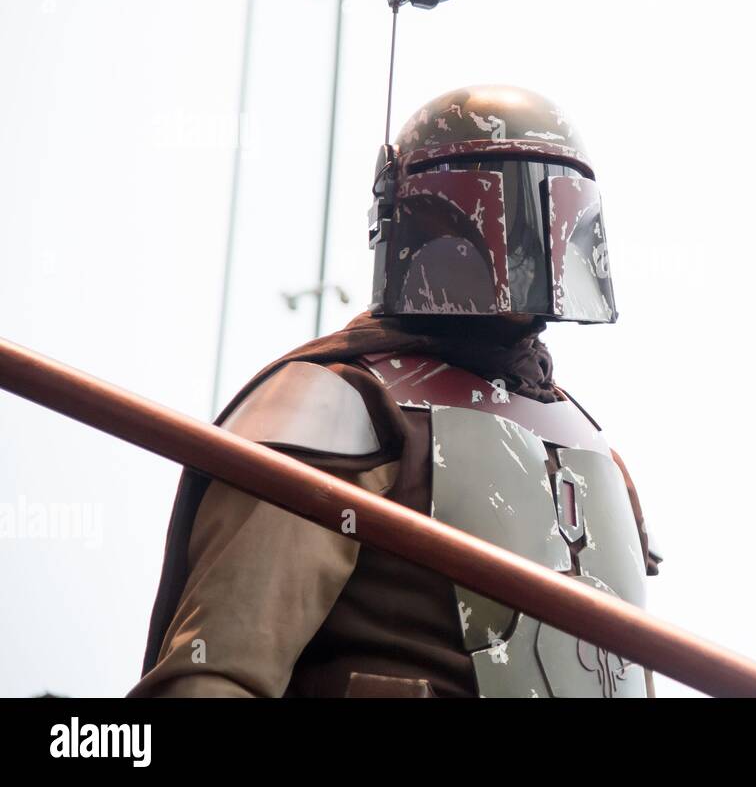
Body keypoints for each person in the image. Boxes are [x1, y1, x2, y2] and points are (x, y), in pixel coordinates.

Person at [131, 84, 661, 698]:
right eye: (513, 206)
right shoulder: (339, 407)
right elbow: (216, 675)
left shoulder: (592, 450)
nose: (533, 241)